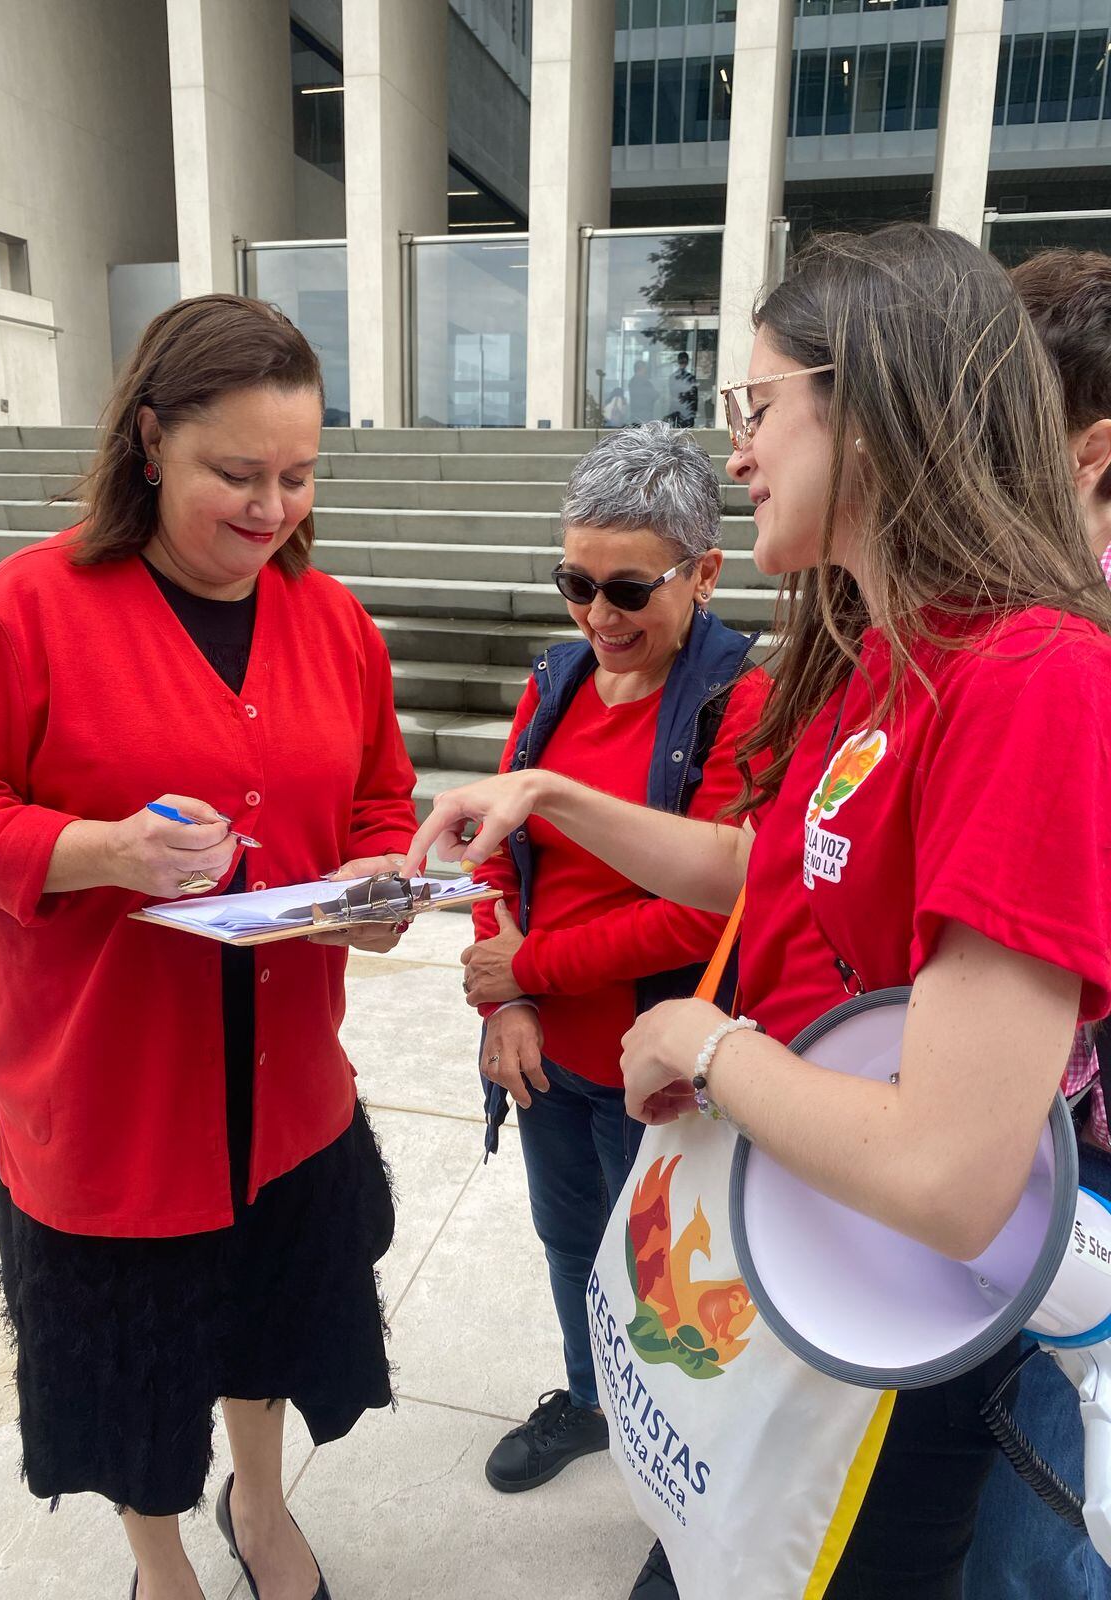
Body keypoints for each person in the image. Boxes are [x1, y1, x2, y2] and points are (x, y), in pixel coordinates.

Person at [404, 223, 1111, 1599]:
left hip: (886, 1329)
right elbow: (766, 870)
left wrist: (701, 1045)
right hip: (793, 1249)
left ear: (882, 406)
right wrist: (549, 793)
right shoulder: (889, 644)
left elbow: (952, 1180)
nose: (736, 454)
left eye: (759, 404)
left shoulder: (1035, 682)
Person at [0, 295, 418, 1600]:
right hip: (112, 1094)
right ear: (149, 444)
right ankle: (162, 1566)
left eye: (298, 476)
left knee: (262, 1325)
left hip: (290, 1084)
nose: (271, 509)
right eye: (235, 475)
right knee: (136, 1381)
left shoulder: (334, 621)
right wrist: (100, 851)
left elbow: (377, 797)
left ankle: (261, 1507)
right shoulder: (25, 613)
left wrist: (379, 873)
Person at [462, 423, 769, 1494]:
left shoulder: (741, 702)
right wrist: (507, 1005)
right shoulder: (555, 684)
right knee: (567, 1240)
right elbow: (491, 857)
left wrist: (530, 970)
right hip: (548, 1054)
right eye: (574, 584)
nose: (599, 616)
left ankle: (672, 1472)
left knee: (669, 1284)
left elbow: (705, 918)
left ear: (705, 573)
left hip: (661, 1065)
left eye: (630, 589)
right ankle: (594, 1399)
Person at [964, 248, 1111, 1600]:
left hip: (1078, 1179)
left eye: (988, 427)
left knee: (1036, 1535)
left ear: (1087, 453)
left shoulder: (1066, 654)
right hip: (1025, 1165)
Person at [667, 351, 698, 429]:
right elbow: (694, 397)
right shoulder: (690, 378)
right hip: (686, 410)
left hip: (676, 409)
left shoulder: (672, 377)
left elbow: (671, 393)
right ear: (687, 362)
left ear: (678, 361)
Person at [629, 360, 660, 424]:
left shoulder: (632, 381)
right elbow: (654, 394)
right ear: (641, 369)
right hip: (645, 416)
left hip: (635, 416)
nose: (646, 370)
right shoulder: (644, 382)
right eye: (645, 368)